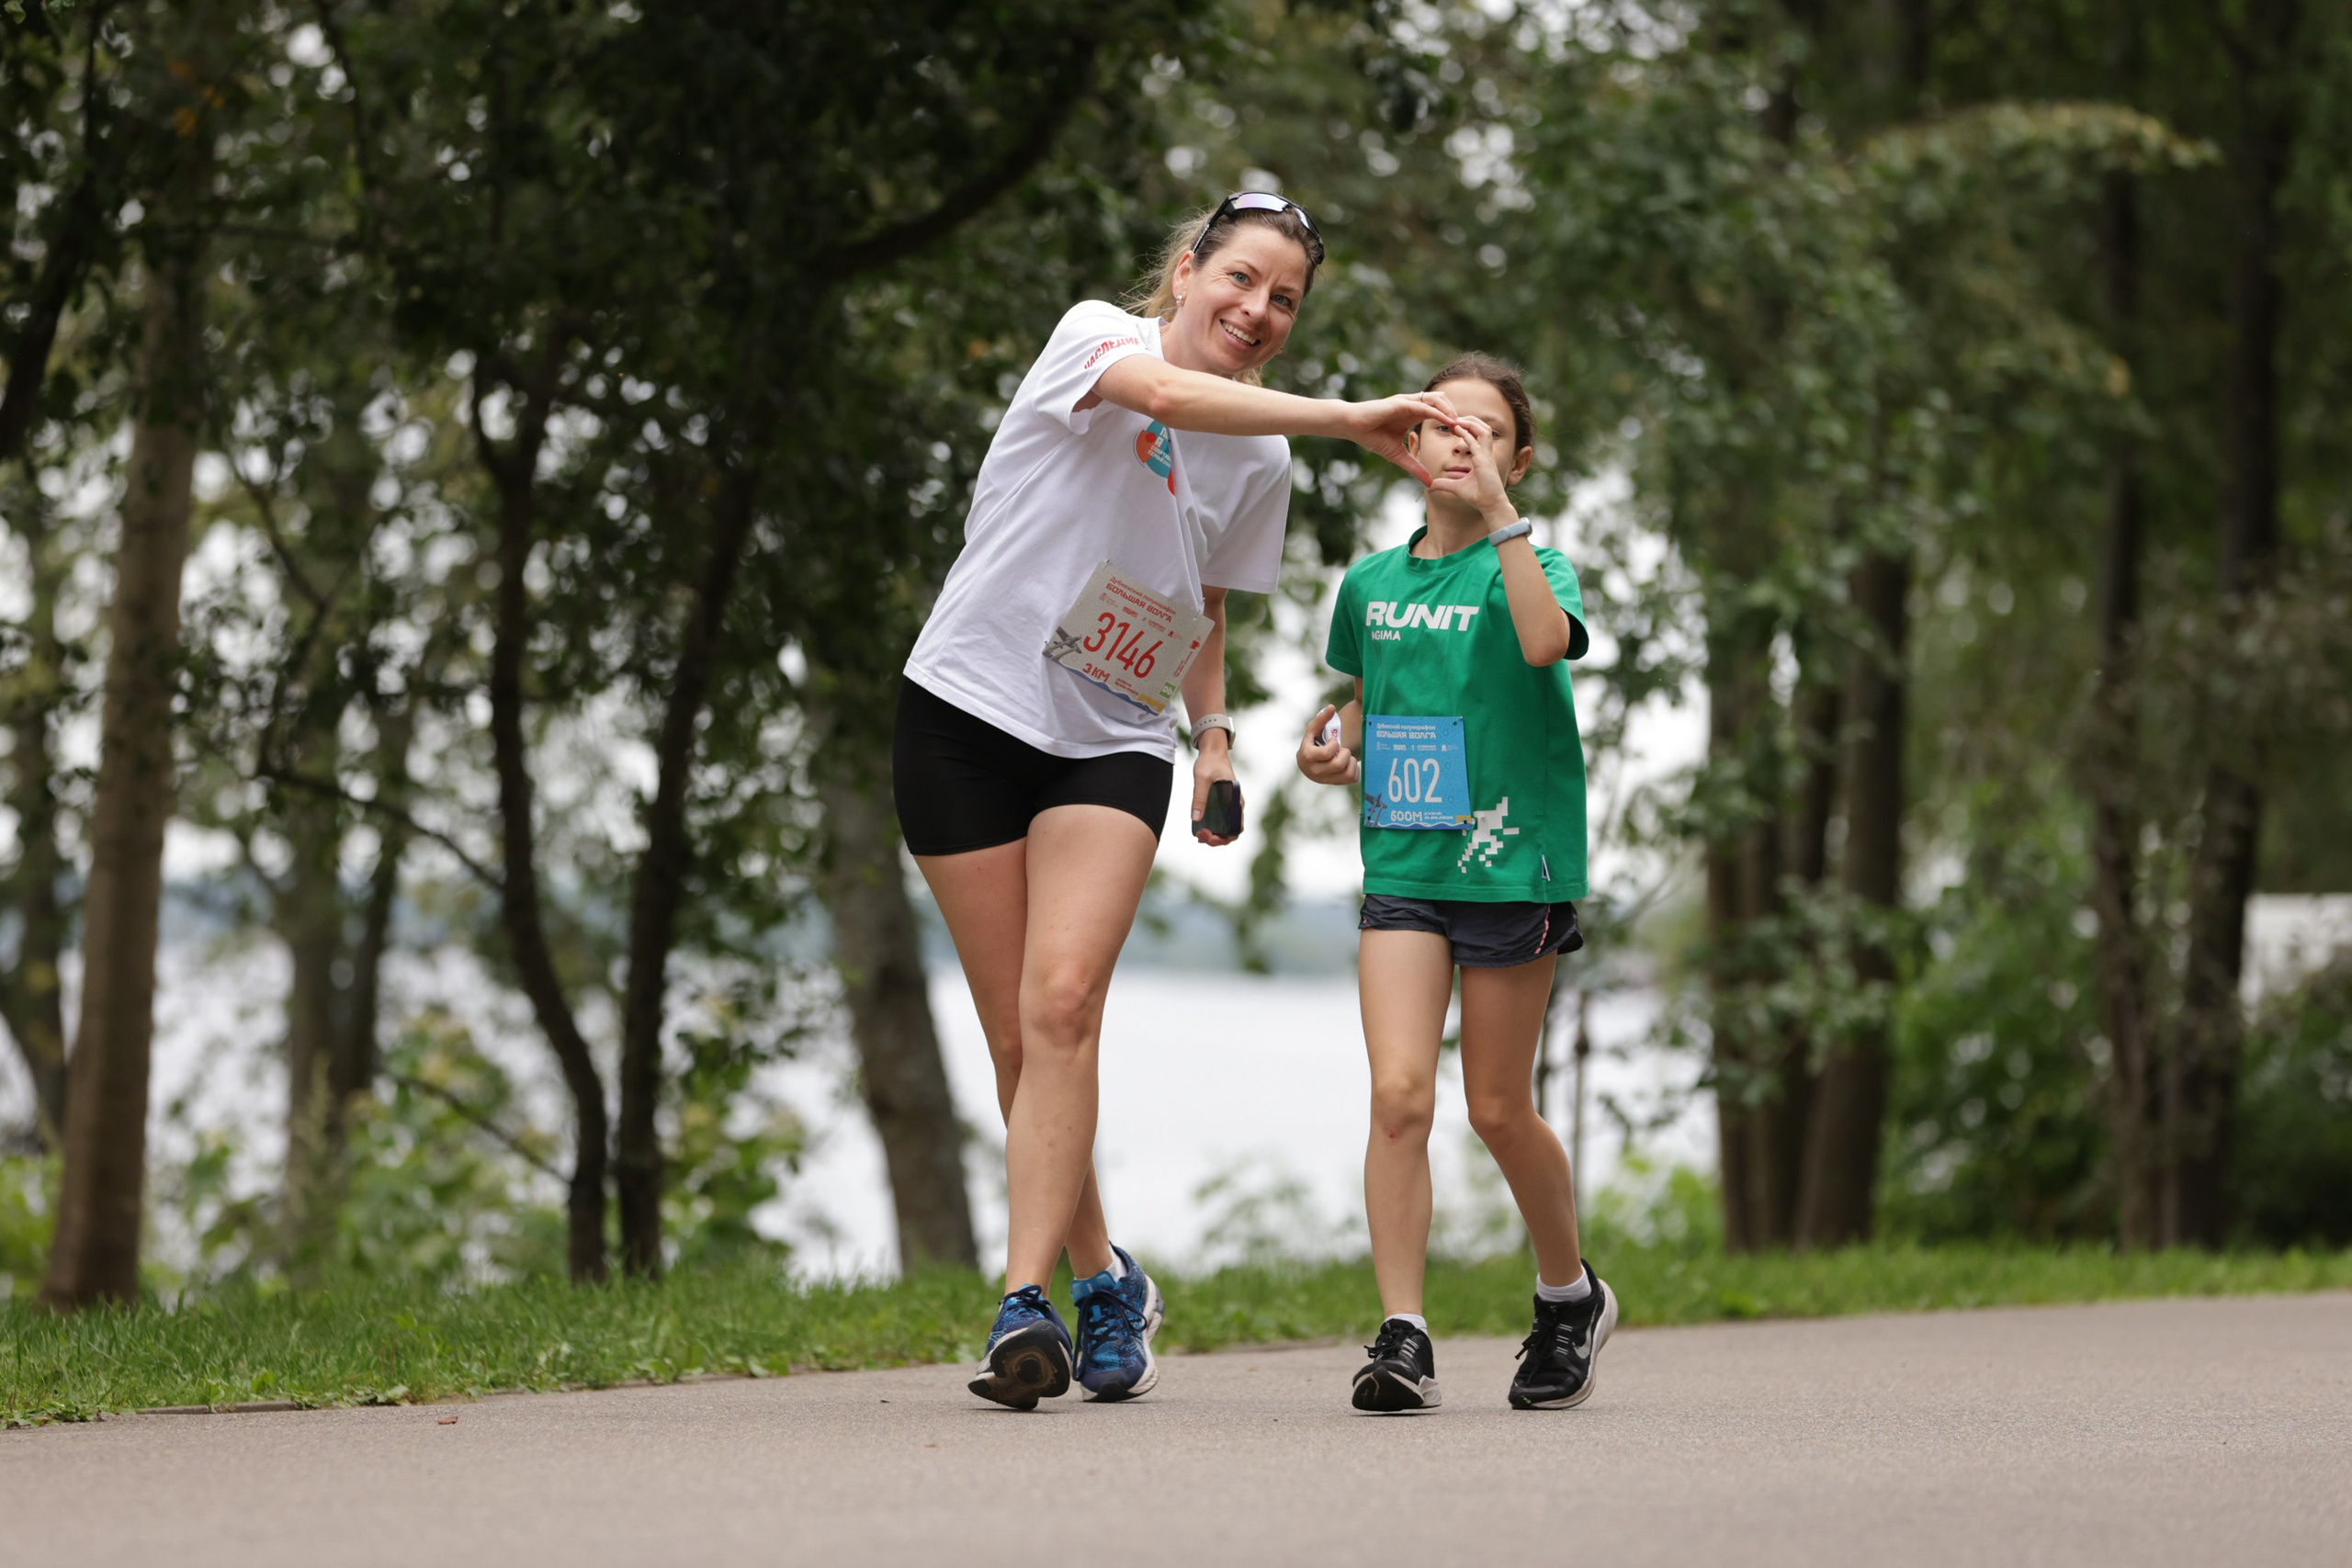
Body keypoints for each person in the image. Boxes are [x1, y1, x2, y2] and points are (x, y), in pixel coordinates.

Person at [895, 193, 1464, 1409]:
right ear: (1189, 270)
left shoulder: (1259, 455)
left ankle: (1021, 1302)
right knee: (1016, 1037)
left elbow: (1198, 602)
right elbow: (1164, 402)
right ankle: (1106, 1276)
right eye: (1241, 280)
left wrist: (1211, 735)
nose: (1258, 312)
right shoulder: (1099, 337)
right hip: (962, 714)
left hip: (1107, 736)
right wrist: (1350, 419)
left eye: (1285, 301)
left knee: (1061, 1003)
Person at [1295, 353, 1617, 1413]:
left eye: (1484, 431)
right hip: (1402, 860)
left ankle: (1567, 1297)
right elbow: (1369, 695)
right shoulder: (1372, 586)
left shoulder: (1536, 564)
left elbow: (1539, 644)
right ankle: (1402, 1334)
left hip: (1509, 863)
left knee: (1494, 1108)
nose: (1460, 442)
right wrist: (1333, 744)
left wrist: (1504, 520)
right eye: (1442, 426)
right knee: (1398, 1097)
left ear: (1515, 458)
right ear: (1409, 444)